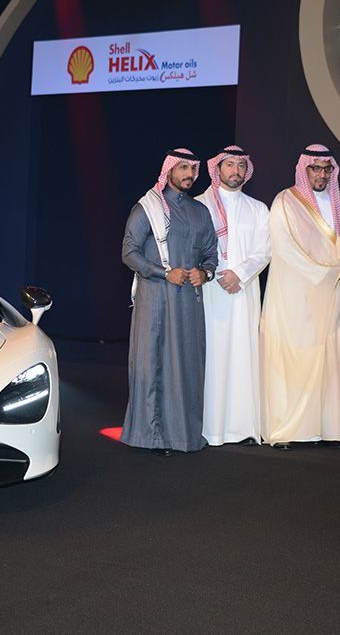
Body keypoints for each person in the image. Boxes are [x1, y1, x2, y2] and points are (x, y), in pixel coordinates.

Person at [121, 149, 219, 456]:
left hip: (189, 302)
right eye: (183, 168)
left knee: (188, 365)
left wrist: (206, 272)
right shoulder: (147, 207)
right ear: (169, 171)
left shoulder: (200, 211)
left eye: (193, 169)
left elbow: (211, 253)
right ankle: (153, 436)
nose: (189, 174)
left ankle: (186, 436)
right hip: (156, 300)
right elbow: (129, 252)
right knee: (155, 363)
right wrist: (164, 272)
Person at [259, 145, 340, 450]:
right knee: (296, 359)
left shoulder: (339, 201)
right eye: (315, 168)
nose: (321, 174)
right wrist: (332, 272)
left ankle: (328, 429)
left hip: (331, 296)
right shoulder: (285, 201)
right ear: (304, 170)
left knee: (329, 359)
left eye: (326, 169)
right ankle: (289, 430)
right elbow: (284, 250)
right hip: (295, 298)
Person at [195, 146, 270, 446]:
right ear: (218, 168)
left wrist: (239, 273)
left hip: (244, 292)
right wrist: (221, 272)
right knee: (212, 357)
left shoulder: (258, 208)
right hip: (211, 291)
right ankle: (210, 429)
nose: (235, 170)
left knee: (244, 355)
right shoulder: (200, 205)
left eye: (241, 165)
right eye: (230, 164)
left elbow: (264, 250)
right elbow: (195, 247)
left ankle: (242, 427)